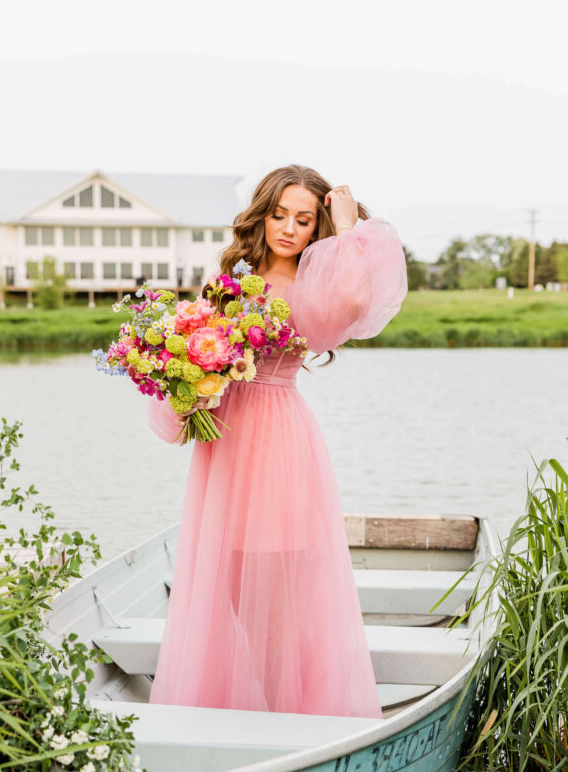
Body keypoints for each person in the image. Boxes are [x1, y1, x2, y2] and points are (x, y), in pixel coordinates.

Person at [146, 164, 407, 718]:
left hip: (278, 440)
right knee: (235, 590)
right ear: (261, 216)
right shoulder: (227, 285)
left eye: (304, 220)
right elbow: (199, 355)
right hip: (225, 442)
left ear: (317, 229)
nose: (289, 228)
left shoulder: (316, 285)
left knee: (277, 597)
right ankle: (256, 714)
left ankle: (295, 720)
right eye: (279, 214)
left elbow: (353, 306)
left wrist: (347, 227)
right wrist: (184, 380)